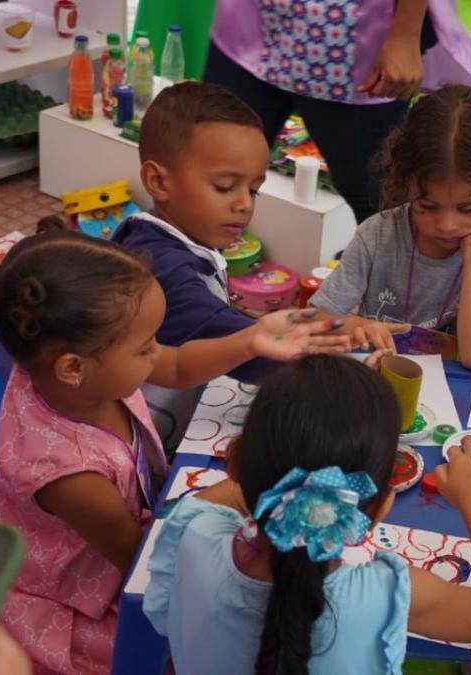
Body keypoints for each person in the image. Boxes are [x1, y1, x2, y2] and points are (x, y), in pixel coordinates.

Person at [0, 229, 347, 673]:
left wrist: (250, 339)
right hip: (86, 598)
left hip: (139, 521)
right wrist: (235, 492)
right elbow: (142, 561)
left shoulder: (75, 373)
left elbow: (175, 365)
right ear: (74, 366)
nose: (155, 352)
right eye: (145, 346)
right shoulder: (68, 476)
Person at [143, 355, 471, 674]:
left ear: (235, 462)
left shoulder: (193, 531)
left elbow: (217, 497)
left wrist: (278, 468)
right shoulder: (382, 594)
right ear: (378, 506)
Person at [111, 82, 363, 450]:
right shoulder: (164, 271)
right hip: (153, 444)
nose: (244, 204)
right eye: (226, 187)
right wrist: (344, 372)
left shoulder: (165, 236)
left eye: (254, 189)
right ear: (158, 181)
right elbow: (250, 353)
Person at [204, 0, 471, 223]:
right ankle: (188, 288)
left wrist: (405, 33)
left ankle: (401, 304)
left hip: (354, 40)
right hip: (252, 23)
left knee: (381, 204)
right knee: (210, 170)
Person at [309, 84, 471, 370]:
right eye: (427, 205)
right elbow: (315, 318)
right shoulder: (378, 233)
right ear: (406, 183)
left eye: (467, 209)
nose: (446, 225)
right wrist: (356, 325)